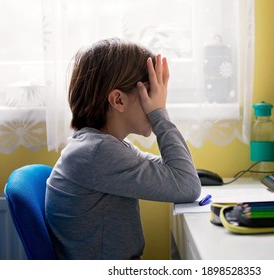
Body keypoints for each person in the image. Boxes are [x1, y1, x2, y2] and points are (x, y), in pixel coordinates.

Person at [45, 38, 201, 260]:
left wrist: (158, 112)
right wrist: (160, 115)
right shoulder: (97, 152)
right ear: (118, 100)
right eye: (150, 92)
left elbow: (176, 175)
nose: (157, 101)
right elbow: (187, 185)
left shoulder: (101, 146)